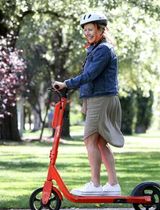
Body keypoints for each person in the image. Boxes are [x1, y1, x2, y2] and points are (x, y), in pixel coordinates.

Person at [53, 11, 124, 196]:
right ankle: (113, 185)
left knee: (89, 140)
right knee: (100, 143)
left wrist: (67, 83)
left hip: (101, 99)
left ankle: (95, 184)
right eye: (85, 30)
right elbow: (90, 79)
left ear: (101, 29)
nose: (87, 33)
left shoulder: (103, 50)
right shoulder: (96, 48)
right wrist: (79, 96)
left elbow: (90, 75)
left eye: (90, 29)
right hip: (98, 98)